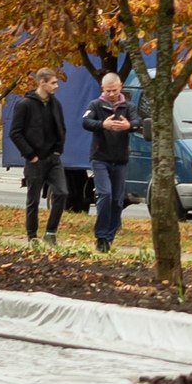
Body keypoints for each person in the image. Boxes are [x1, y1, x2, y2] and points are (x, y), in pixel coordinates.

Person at [79, 71, 138, 253]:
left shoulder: (128, 106)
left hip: (120, 159)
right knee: (105, 194)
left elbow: (138, 121)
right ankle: (101, 235)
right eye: (108, 91)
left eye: (114, 90)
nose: (111, 94)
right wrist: (102, 125)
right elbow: (86, 122)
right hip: (100, 158)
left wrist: (129, 126)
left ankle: (109, 237)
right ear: (103, 89)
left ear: (120, 87)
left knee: (117, 200)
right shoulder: (96, 105)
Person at [8, 70, 67, 245]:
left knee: (62, 192)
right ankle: (32, 236)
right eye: (53, 83)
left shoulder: (55, 104)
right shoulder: (25, 104)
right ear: (42, 82)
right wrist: (31, 155)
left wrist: (58, 150)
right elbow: (15, 133)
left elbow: (61, 128)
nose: (56, 86)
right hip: (35, 160)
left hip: (53, 159)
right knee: (33, 200)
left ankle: (50, 232)